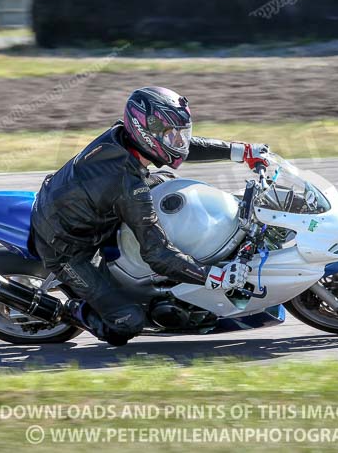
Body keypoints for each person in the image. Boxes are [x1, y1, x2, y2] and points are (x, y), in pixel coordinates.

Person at [30, 86, 270, 345]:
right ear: (146, 132)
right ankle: (68, 311)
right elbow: (158, 256)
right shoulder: (129, 186)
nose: (179, 141)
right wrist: (214, 277)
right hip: (65, 248)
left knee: (168, 180)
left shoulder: (123, 135)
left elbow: (183, 148)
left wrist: (242, 151)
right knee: (126, 322)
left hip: (85, 207)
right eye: (171, 135)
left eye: (181, 133)